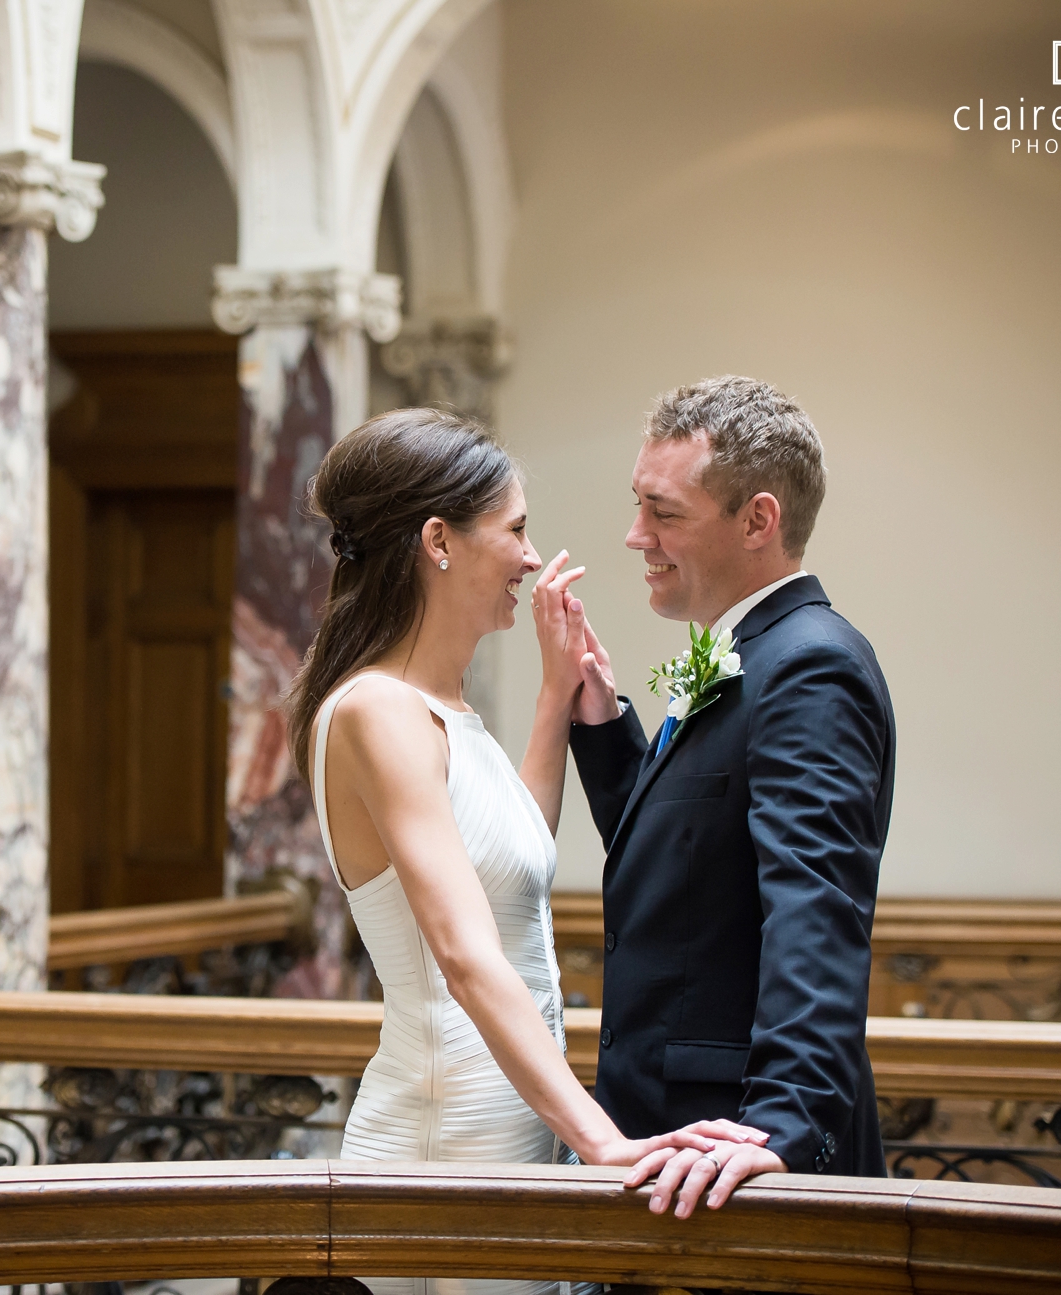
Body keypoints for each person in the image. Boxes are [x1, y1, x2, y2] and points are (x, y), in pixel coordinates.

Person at [288, 407, 766, 1295]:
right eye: (513, 529)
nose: (528, 555)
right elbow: (466, 954)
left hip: (511, 1121)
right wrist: (606, 1139)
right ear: (439, 539)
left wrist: (556, 698)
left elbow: (510, 859)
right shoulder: (376, 711)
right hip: (445, 1135)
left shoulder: (440, 708)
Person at [560, 375, 897, 1222]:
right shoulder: (749, 651)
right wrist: (604, 729)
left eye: (663, 512)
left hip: (731, 1150)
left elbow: (815, 907)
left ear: (758, 519)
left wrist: (781, 1129)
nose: (636, 536)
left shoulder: (809, 666)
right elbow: (688, 860)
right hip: (671, 1140)